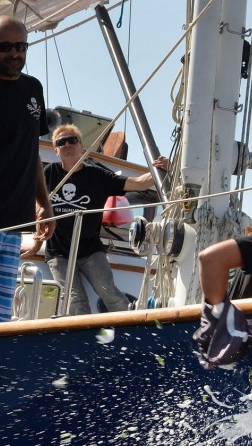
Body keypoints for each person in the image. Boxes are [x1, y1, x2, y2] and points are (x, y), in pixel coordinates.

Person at [24, 123, 168, 315]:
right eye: (61, 142)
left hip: (90, 250)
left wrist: (163, 169)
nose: (67, 144)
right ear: (56, 150)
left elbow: (140, 184)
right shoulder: (49, 173)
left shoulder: (97, 176)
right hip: (58, 252)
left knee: (110, 294)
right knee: (74, 300)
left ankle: (131, 332)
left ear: (81, 146)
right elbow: (40, 212)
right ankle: (82, 342)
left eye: (72, 140)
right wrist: (35, 245)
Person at [0, 15, 54, 323]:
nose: (15, 53)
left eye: (21, 46)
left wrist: (45, 204)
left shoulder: (32, 88)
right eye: (5, 46)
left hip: (14, 222)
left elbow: (32, 151)